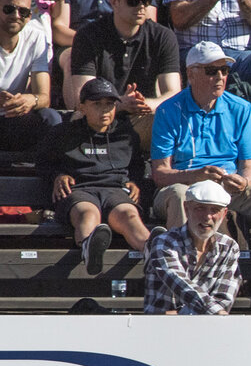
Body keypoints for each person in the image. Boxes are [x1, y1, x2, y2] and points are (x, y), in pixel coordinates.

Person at [150, 41, 251, 231]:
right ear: (191, 74)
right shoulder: (168, 110)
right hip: (186, 187)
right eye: (211, 71)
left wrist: (244, 181)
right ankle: (184, 258)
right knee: (178, 195)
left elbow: (250, 167)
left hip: (227, 189)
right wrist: (195, 176)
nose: (220, 77)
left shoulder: (240, 108)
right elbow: (160, 174)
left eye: (224, 70)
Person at [38, 78, 160, 275]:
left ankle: (154, 253)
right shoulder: (62, 133)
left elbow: (137, 164)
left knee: (129, 215)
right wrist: (57, 175)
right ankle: (89, 246)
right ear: (82, 107)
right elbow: (42, 163)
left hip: (115, 189)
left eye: (110, 104)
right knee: (88, 214)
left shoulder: (126, 134)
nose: (105, 110)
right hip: (79, 189)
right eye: (97, 104)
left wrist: (135, 182)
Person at [68, 0, 181, 146]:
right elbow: (82, 98)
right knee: (77, 119)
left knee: (172, 118)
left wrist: (145, 104)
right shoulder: (88, 35)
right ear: (114, 2)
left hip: (143, 118)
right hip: (99, 118)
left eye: (146, 1)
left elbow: (173, 93)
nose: (141, 7)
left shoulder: (162, 36)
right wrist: (120, 104)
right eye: (133, 1)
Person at [143, 178, 241, 314]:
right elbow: (180, 284)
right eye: (200, 208)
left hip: (208, 326)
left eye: (215, 210)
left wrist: (182, 313)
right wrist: (213, 312)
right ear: (186, 208)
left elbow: (225, 298)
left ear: (224, 214)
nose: (207, 217)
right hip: (161, 328)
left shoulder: (229, 247)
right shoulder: (164, 242)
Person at [0, 0, 60, 152]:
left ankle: (53, 173)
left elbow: (44, 97)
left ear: (29, 16)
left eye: (23, 12)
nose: (16, 16)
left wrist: (29, 100)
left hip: (14, 118)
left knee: (51, 117)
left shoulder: (36, 36)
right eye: (9, 9)